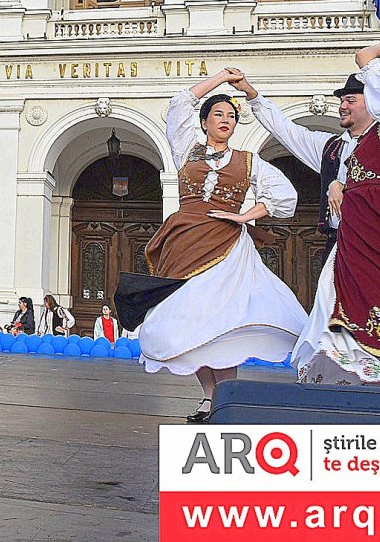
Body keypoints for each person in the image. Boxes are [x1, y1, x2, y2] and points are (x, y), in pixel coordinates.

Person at [239, 44, 380, 390]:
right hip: (347, 238)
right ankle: (354, 382)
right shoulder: (333, 147)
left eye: (352, 98)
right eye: (342, 99)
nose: (343, 104)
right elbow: (287, 130)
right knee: (336, 305)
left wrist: (375, 63)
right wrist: (254, 96)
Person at [114, 68, 307, 423]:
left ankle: (223, 398)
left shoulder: (249, 161)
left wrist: (246, 215)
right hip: (185, 241)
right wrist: (219, 79)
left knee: (223, 319)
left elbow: (284, 196)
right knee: (189, 318)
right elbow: (179, 103)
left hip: (227, 246)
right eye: (218, 114)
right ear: (204, 122)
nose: (226, 120)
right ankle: (210, 395)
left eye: (232, 116)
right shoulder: (187, 149)